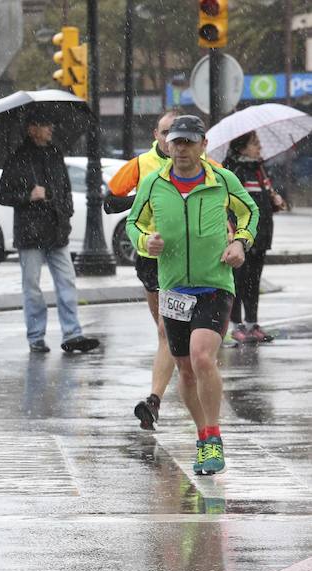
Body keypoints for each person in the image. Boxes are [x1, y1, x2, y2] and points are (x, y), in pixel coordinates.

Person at [127, 115, 258, 475]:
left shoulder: (222, 180)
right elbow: (133, 223)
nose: (181, 149)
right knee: (185, 369)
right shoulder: (153, 183)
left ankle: (214, 437)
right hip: (173, 288)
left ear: (203, 145)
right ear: (167, 145)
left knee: (202, 358)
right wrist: (145, 242)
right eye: (175, 142)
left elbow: (250, 211)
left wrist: (240, 242)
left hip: (214, 283)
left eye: (188, 142)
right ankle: (202, 436)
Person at [0, 115, 100, 354]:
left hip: (56, 229)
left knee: (67, 281)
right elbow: (3, 194)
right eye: (46, 124)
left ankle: (73, 334)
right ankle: (36, 337)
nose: (51, 127)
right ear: (32, 128)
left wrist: (66, 211)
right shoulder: (17, 158)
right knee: (32, 286)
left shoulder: (56, 153)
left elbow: (64, 188)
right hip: (29, 232)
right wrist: (28, 195)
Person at [106, 110, 181, 430]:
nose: (170, 140)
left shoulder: (203, 167)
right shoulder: (140, 165)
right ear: (155, 134)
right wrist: (145, 196)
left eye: (177, 134)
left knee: (170, 331)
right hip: (150, 256)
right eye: (165, 133)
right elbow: (110, 201)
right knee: (165, 331)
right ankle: (173, 376)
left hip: (186, 258)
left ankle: (155, 399)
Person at [223, 131, 287, 344]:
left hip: (261, 236)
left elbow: (261, 200)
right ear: (241, 147)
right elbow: (234, 206)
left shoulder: (258, 168)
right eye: (255, 143)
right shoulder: (235, 171)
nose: (259, 147)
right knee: (238, 282)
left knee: (253, 281)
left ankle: (252, 323)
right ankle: (236, 325)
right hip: (242, 238)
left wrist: (275, 201)